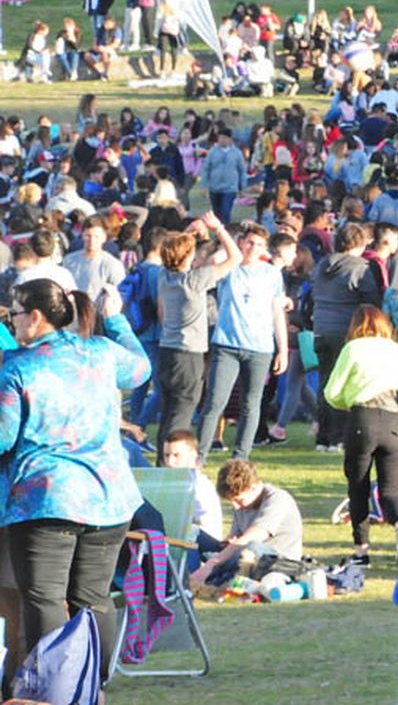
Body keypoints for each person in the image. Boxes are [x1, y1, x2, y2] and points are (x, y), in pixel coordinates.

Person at [0, 279, 150, 673]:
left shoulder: (19, 366)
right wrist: (115, 319)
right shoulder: (100, 352)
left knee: (45, 598)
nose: (11, 322)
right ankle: (93, 689)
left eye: (14, 314)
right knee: (94, 598)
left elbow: (2, 436)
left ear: (35, 317)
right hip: (109, 498)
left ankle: (54, 689)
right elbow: (140, 368)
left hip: (45, 500)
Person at [324, 305, 398, 566]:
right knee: (391, 489)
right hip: (394, 420)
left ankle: (361, 550)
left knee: (358, 486)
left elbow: (333, 392)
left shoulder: (352, 349)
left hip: (363, 418)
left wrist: (346, 403)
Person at [197, 222, 290, 461]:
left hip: (259, 348)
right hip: (227, 345)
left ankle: (241, 457)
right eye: (249, 242)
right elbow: (212, 263)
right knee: (215, 401)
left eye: (259, 244)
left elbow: (277, 311)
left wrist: (283, 349)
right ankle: (200, 456)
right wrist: (227, 238)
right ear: (241, 243)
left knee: (251, 404)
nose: (253, 248)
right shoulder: (230, 268)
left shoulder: (272, 274)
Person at [155, 213, 243, 461]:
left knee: (170, 412)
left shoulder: (164, 276)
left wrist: (191, 234)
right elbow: (235, 257)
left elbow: (177, 251)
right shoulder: (194, 281)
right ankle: (170, 464)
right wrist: (219, 228)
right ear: (188, 257)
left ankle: (163, 461)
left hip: (167, 353)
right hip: (188, 356)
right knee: (180, 415)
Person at [308, 221, 382, 450]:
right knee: (345, 383)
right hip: (346, 331)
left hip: (321, 329)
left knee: (325, 383)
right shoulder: (360, 268)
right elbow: (371, 299)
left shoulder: (321, 266)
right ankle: (339, 437)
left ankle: (323, 436)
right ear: (359, 244)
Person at [190, 458, 305, 587]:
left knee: (251, 548)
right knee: (192, 532)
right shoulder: (243, 504)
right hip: (239, 555)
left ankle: (211, 578)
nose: (236, 506)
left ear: (253, 488)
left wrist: (211, 564)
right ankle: (190, 577)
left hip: (273, 561)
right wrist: (229, 542)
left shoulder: (277, 500)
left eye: (239, 500)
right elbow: (235, 541)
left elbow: (249, 539)